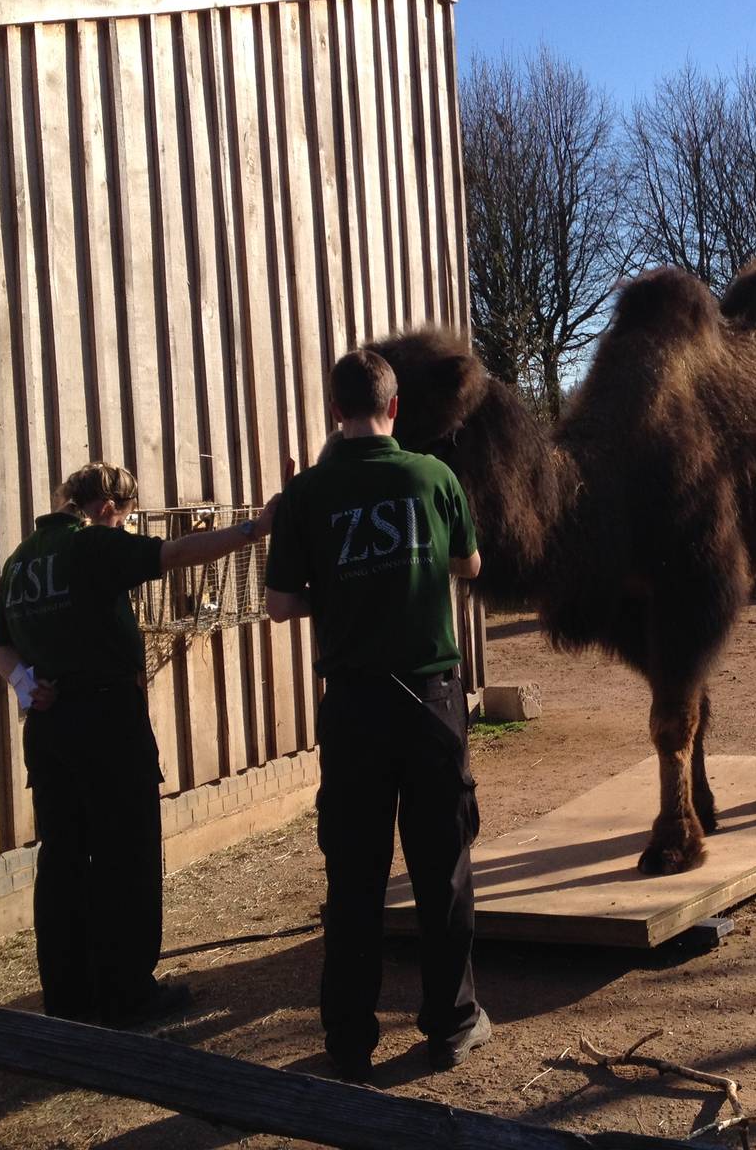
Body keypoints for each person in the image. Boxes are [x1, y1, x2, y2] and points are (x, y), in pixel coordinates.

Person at [264, 349, 488, 1081]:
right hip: (430, 701)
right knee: (442, 866)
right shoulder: (433, 475)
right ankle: (452, 1025)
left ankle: (350, 1040)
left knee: (354, 875)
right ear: (395, 409)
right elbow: (470, 567)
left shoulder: (306, 495)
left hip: (353, 706)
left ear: (335, 411)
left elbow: (281, 606)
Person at [0, 462, 276, 1027]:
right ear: (104, 509)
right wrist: (253, 530)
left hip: (49, 730)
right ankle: (127, 994)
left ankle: (67, 997)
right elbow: (173, 555)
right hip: (106, 719)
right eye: (121, 519)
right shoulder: (92, 546)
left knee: (65, 858)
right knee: (127, 853)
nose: (120, 528)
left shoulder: (20, 561)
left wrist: (26, 684)